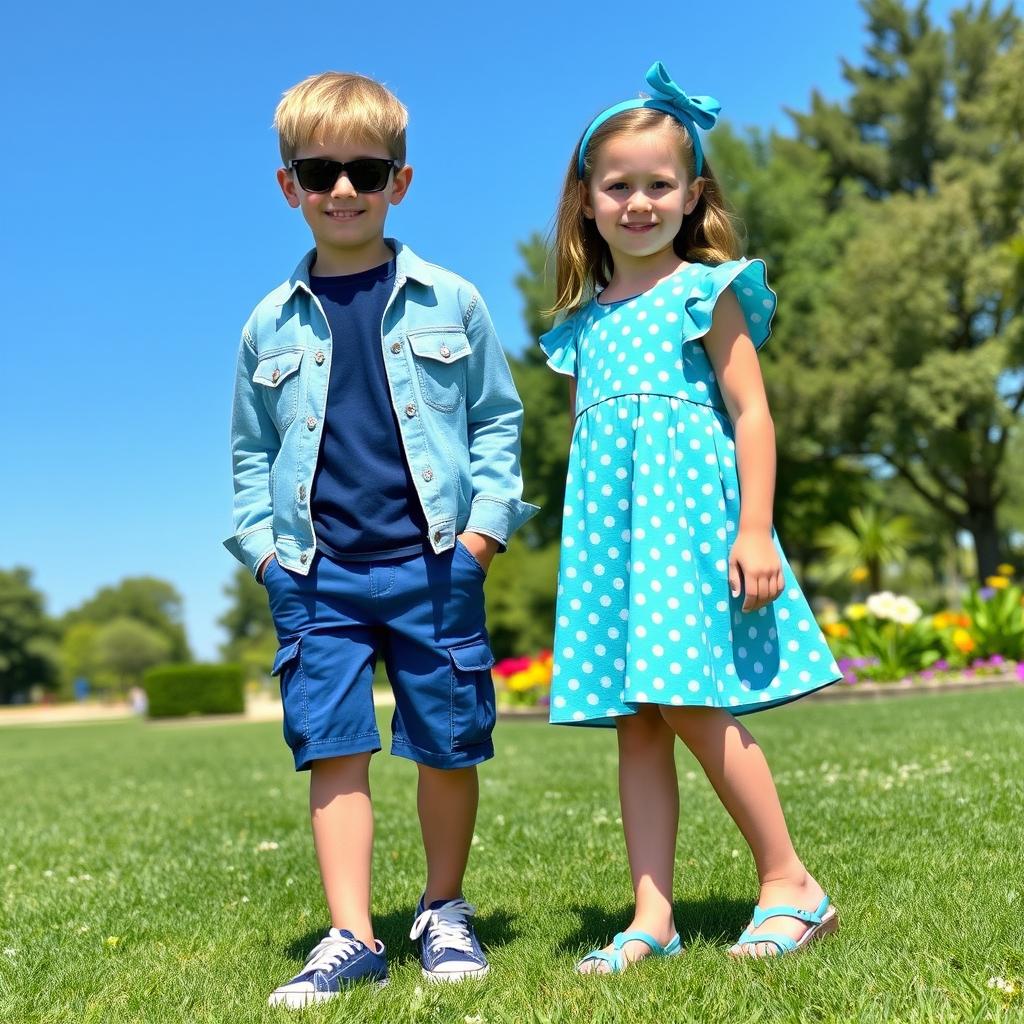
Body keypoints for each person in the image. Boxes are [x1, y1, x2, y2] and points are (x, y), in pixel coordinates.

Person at [225, 71, 537, 1006]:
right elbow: (250, 452)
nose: (344, 190)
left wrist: (482, 537)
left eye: (367, 169)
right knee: (333, 747)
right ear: (290, 185)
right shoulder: (266, 325)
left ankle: (444, 911)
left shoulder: (453, 301)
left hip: (435, 563)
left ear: (400, 179)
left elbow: (497, 422)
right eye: (321, 171)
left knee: (447, 742)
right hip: (316, 573)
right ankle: (352, 933)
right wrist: (266, 555)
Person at [539, 62, 841, 973]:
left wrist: (756, 530)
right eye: (618, 186)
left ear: (691, 193)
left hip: (691, 529)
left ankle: (791, 882)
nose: (639, 202)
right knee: (638, 721)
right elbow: (596, 453)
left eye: (658, 184)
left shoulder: (707, 292)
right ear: (587, 200)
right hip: (613, 543)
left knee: (689, 702)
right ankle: (652, 918)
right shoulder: (582, 324)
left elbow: (753, 414)